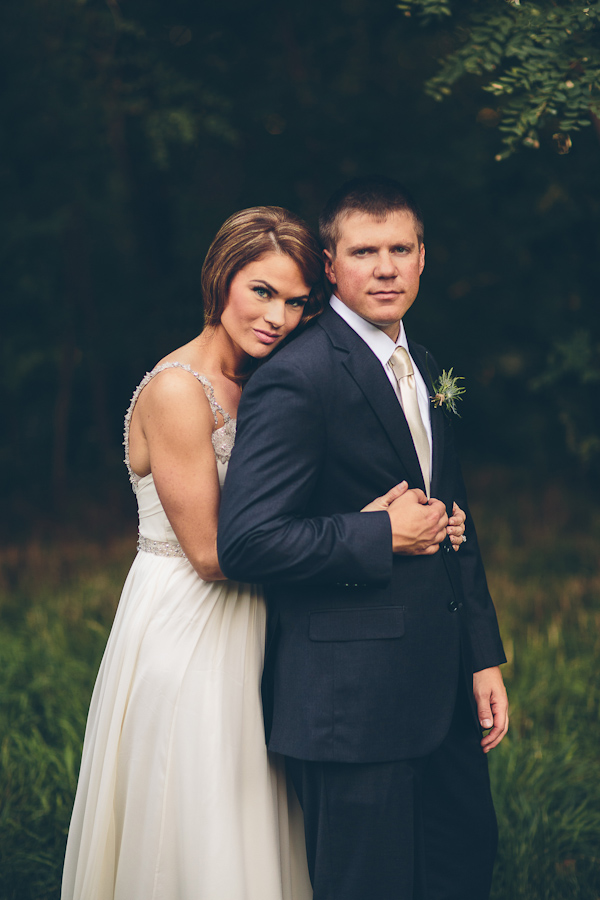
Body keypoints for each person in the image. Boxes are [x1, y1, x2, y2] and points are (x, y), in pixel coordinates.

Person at [218, 177, 509, 900]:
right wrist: (378, 534)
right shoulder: (298, 377)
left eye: (399, 249)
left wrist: (482, 657)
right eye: (365, 250)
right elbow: (247, 542)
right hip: (350, 705)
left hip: (443, 692)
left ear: (422, 259)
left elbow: (453, 518)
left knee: (464, 864)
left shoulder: (425, 364)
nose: (385, 267)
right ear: (329, 264)